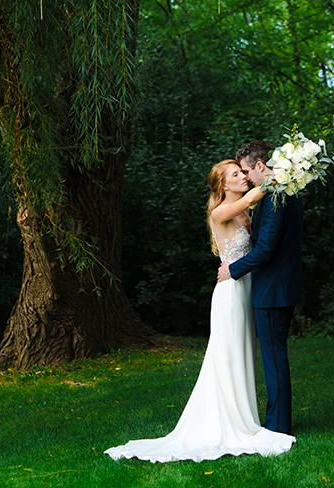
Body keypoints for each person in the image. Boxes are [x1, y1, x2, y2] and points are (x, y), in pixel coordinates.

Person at [105, 157, 295, 462]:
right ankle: (229, 421)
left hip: (248, 289)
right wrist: (288, 171)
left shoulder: (245, 212)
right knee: (228, 355)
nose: (243, 177)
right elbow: (251, 197)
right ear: (223, 185)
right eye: (236, 174)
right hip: (231, 293)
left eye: (242, 172)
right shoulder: (221, 211)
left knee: (244, 355)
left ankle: (245, 417)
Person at [217, 139, 304, 436]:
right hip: (283, 285)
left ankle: (278, 427)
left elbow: (266, 248)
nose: (245, 177)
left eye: (245, 171)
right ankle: (276, 421)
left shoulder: (275, 198)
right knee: (275, 354)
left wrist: (233, 270)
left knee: (274, 357)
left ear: (259, 166)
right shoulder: (288, 190)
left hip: (272, 289)